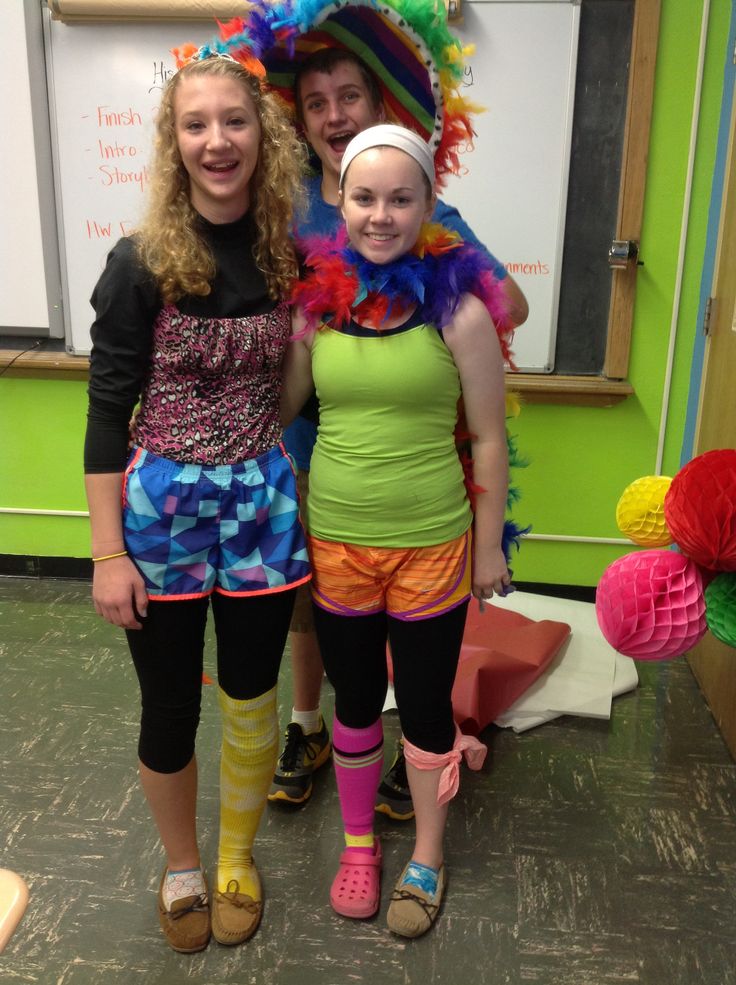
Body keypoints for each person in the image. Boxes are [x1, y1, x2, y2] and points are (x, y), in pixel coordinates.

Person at [83, 49, 309, 953]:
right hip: (158, 521)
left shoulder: (291, 255)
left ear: (264, 134)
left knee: (254, 697)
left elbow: (291, 391)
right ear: (174, 144)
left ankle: (236, 860)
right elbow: (106, 417)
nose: (218, 140)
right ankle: (182, 864)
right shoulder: (139, 263)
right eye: (196, 124)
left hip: (261, 508)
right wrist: (106, 554)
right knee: (170, 706)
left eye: (235, 120)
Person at [267, 44, 528, 817]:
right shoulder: (281, 206)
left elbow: (507, 305)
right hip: (314, 448)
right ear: (301, 120)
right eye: (316, 103)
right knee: (317, 608)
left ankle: (416, 742)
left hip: (409, 453)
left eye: (349, 96)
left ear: (379, 108)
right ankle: (310, 726)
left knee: (416, 620)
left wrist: (435, 316)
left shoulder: (422, 206)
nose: (334, 114)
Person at [281, 123, 513, 937]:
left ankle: (426, 851)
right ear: (338, 202)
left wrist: (487, 548)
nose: (381, 215)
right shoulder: (316, 312)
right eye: (365, 197)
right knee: (352, 703)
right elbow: (278, 412)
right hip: (337, 541)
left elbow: (488, 436)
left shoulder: (461, 314)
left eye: (401, 198)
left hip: (432, 546)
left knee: (419, 705)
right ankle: (356, 847)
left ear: (427, 205)